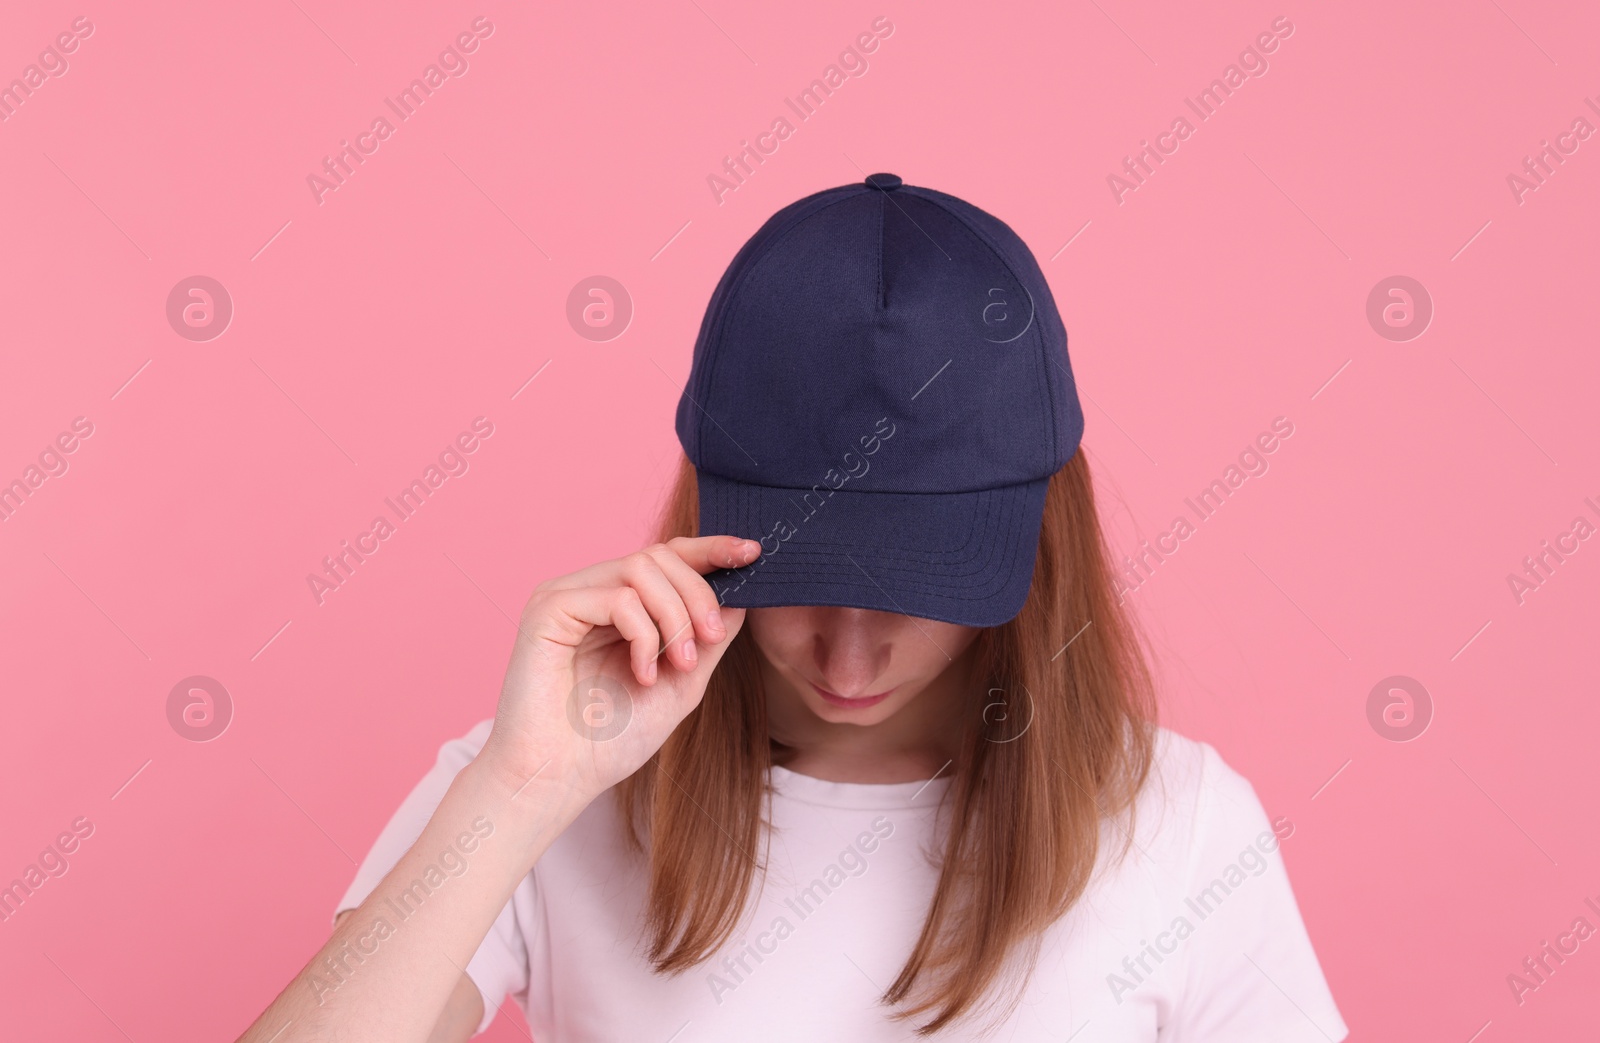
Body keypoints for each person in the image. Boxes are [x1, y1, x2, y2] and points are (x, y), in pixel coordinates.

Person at [237, 173, 1348, 1042]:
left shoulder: (1181, 820)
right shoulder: (547, 784)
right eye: (797, 579)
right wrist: (522, 789)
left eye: (919, 585)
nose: (850, 652)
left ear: (1032, 540)